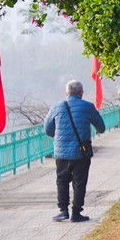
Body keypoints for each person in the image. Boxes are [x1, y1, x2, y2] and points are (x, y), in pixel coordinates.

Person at [43, 80, 106, 222]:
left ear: (66, 93)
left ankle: (63, 211)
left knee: (62, 181)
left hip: (61, 153)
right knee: (79, 182)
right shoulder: (88, 107)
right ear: (81, 93)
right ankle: (76, 213)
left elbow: (48, 130)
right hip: (81, 152)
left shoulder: (56, 107)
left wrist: (58, 134)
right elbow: (101, 128)